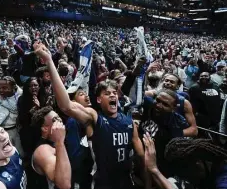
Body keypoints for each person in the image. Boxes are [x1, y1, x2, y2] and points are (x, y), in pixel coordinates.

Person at [33, 42, 147, 189]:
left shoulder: (129, 121)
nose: (112, 95)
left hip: (126, 181)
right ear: (99, 100)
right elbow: (66, 105)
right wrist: (49, 61)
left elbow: (141, 157)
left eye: (114, 93)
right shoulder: (94, 117)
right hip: (102, 183)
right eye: (107, 93)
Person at [145, 73, 198, 137]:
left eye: (172, 82)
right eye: (166, 80)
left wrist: (170, 135)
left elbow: (194, 130)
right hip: (150, 131)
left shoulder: (184, 102)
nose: (168, 83)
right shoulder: (153, 94)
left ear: (177, 86)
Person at [31, 107, 71, 189]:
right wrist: (60, 143)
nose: (59, 120)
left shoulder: (55, 141)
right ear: (45, 128)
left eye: (58, 116)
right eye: (54, 119)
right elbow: (64, 184)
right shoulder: (42, 150)